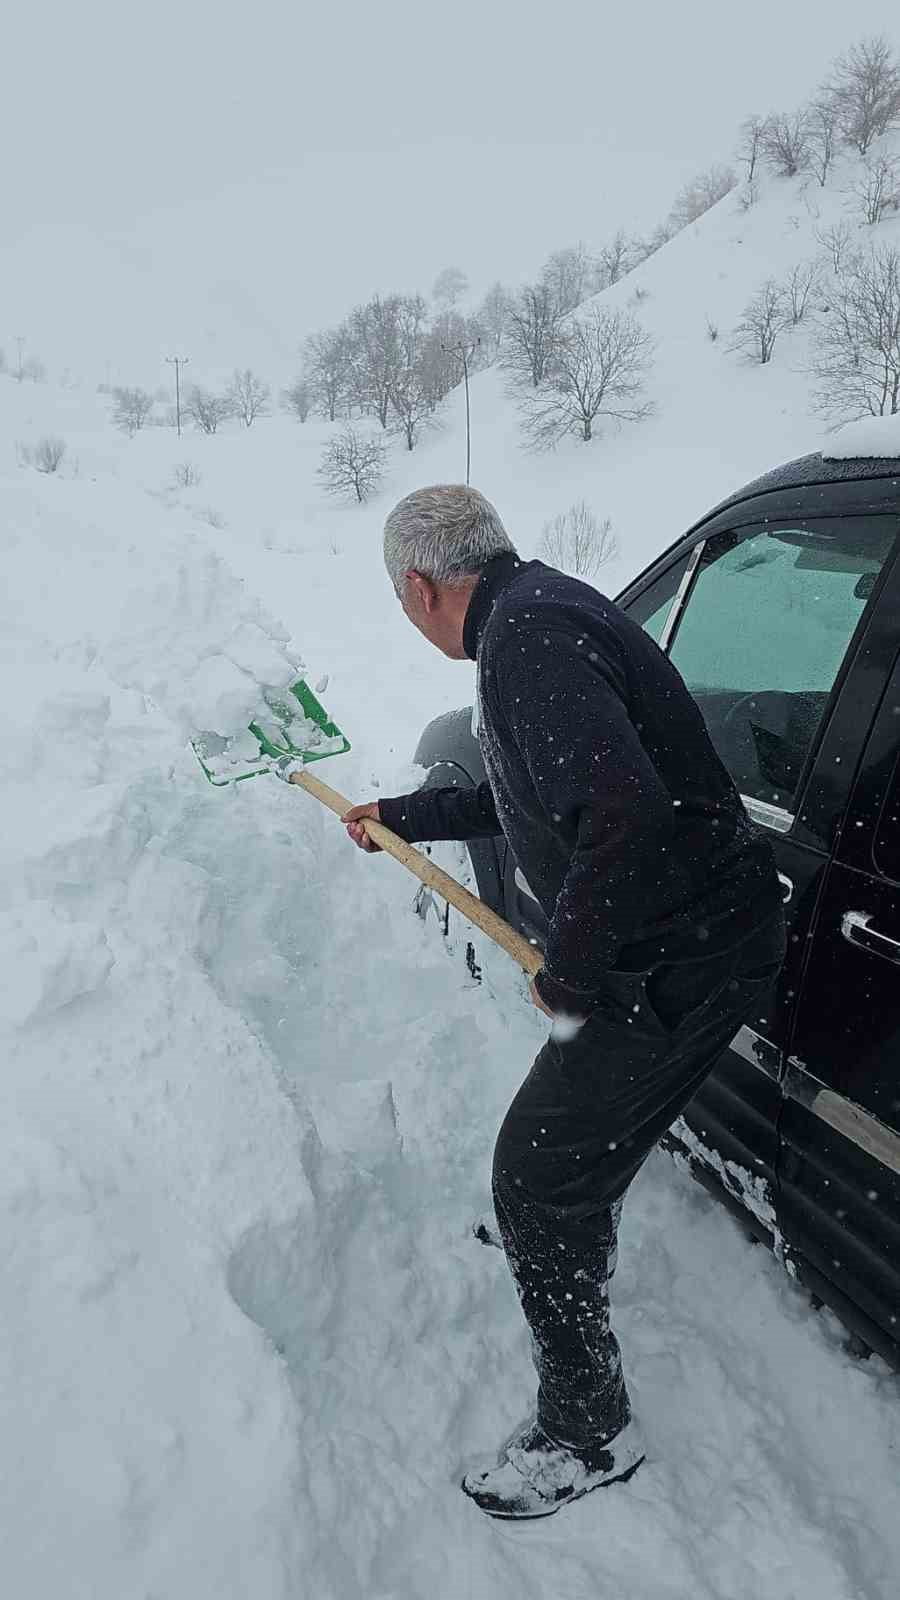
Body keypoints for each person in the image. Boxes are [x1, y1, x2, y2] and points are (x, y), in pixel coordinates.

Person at [342, 485, 786, 1520]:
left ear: (422, 586)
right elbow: (538, 790)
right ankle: (575, 1236)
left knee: (534, 1178)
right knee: (575, 1148)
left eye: (400, 601)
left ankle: (589, 1428)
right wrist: (405, 813)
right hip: (699, 937)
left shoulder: (527, 641)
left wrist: (571, 971)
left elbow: (619, 811)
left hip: (675, 961)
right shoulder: (539, 611)